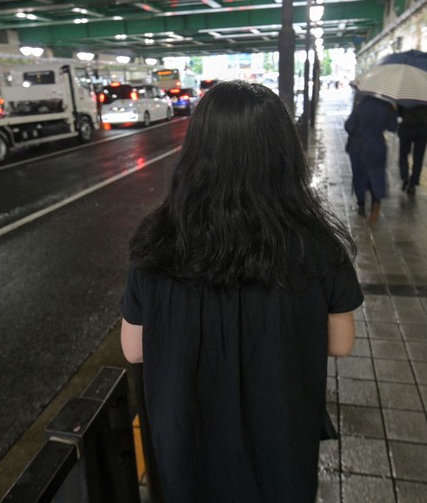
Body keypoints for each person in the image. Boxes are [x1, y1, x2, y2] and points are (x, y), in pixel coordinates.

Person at [120, 80, 363, 503]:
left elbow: (134, 350)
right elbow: (341, 343)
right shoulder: (316, 243)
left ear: (195, 151)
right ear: (283, 153)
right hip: (282, 441)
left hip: (188, 444)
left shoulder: (158, 242)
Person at [344, 94, 397, 223]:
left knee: (360, 175)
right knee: (377, 174)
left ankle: (361, 205)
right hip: (377, 146)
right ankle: (376, 202)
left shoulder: (360, 105)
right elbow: (393, 127)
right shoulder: (387, 106)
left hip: (358, 147)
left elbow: (348, 127)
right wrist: (393, 111)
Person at [397, 103, 427, 196]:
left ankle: (404, 177)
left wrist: (404, 115)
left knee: (403, 154)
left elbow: (398, 111)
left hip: (406, 127)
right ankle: (413, 183)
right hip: (422, 129)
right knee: (418, 157)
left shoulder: (405, 93)